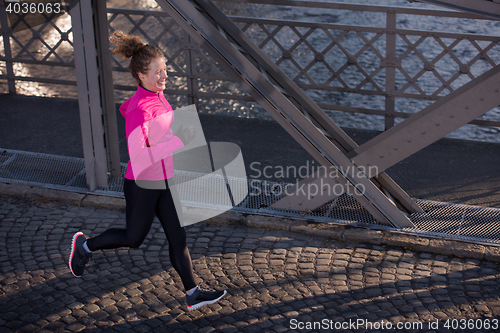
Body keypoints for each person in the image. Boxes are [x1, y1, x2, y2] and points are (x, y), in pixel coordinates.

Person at [69, 31, 226, 311]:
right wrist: (179, 140)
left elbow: (135, 115)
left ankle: (193, 294)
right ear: (141, 75)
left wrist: (172, 134)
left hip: (163, 179)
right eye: (158, 72)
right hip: (143, 183)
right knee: (134, 238)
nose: (165, 76)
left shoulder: (156, 96)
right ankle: (85, 247)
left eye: (165, 70)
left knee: (178, 237)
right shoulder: (142, 108)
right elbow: (139, 157)